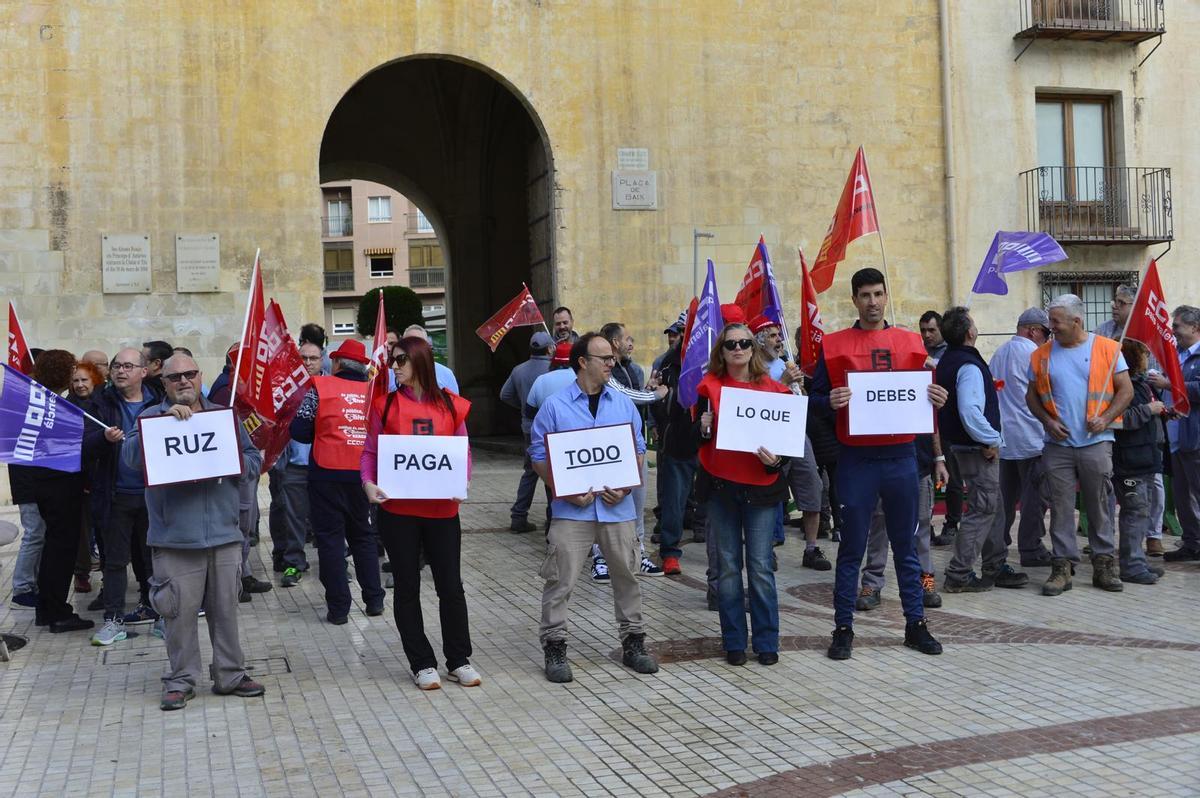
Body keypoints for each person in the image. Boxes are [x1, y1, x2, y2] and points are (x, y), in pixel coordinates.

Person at [810, 268, 946, 660]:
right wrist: (828, 401)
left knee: (906, 546)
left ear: (887, 296)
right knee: (852, 547)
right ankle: (842, 627)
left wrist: (937, 397)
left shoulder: (911, 343)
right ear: (854, 299)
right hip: (856, 459)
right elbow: (814, 399)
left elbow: (926, 400)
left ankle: (915, 623)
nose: (872, 302)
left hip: (901, 457)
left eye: (878, 294)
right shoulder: (835, 346)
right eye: (865, 295)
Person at [119, 354, 265, 710]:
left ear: (200, 376)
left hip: (224, 534)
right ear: (164, 383)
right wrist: (162, 425)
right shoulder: (151, 418)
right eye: (174, 377)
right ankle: (181, 679)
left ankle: (230, 674)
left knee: (226, 610)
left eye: (190, 374)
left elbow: (254, 461)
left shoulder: (224, 416)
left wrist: (233, 461)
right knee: (178, 614)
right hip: (175, 539)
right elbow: (130, 459)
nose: (183, 381)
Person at [529, 333, 658, 682]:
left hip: (618, 510)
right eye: (604, 358)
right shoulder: (555, 406)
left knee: (627, 576)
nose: (611, 364)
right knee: (560, 580)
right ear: (582, 361)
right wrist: (562, 487)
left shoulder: (622, 404)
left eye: (612, 358)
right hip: (572, 512)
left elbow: (638, 447)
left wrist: (627, 484)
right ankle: (554, 647)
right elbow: (538, 455)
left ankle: (634, 642)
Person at [361, 335, 480, 690]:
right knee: (407, 587)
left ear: (420, 362)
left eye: (400, 360)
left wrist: (463, 481)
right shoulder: (384, 406)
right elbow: (369, 453)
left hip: (442, 510)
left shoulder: (450, 405)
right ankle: (421, 663)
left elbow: (464, 451)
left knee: (451, 587)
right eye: (393, 360)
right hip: (398, 511)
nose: (394, 367)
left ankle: (459, 659)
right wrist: (368, 483)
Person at [695, 323, 793, 666]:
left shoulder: (775, 390)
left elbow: (788, 441)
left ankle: (767, 641)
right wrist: (702, 428)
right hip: (722, 488)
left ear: (754, 349)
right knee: (728, 568)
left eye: (744, 343)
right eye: (730, 343)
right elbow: (692, 440)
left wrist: (776, 461)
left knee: (761, 567)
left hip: (761, 491)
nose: (738, 348)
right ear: (721, 351)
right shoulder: (708, 388)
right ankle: (734, 641)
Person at [1025, 294, 1133, 595]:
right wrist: (1048, 422)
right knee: (1060, 507)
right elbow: (1031, 396)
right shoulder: (1041, 354)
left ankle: (1104, 564)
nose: (1051, 327)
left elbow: (1126, 391)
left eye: (1056, 321)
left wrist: (1107, 417)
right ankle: (1062, 567)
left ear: (1077, 321)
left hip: (1096, 442)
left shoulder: (1108, 349)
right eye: (1050, 321)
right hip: (1057, 445)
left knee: (1099, 504)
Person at [290, 339, 386, 623]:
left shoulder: (320, 388)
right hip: (364, 476)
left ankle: (339, 609)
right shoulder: (374, 393)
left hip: (326, 473)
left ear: (338, 363)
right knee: (364, 537)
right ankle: (374, 600)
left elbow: (299, 430)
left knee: (331, 541)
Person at [935, 307, 1028, 593]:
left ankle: (995, 564)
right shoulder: (968, 366)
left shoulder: (949, 360)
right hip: (977, 448)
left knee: (994, 505)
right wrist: (991, 440)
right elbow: (970, 412)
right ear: (969, 333)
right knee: (983, 508)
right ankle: (959, 573)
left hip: (963, 446)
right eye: (973, 323)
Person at [83, 348, 166, 645]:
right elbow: (85, 443)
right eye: (117, 365)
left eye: (128, 366)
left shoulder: (159, 401)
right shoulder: (101, 402)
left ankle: (159, 613)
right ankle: (113, 619)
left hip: (152, 495)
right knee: (115, 561)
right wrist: (103, 440)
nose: (120, 371)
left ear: (144, 371)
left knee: (155, 558)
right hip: (115, 494)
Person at [28, 350, 94, 633]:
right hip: (59, 486)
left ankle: (46, 608)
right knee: (61, 550)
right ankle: (58, 612)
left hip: (44, 485)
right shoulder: (54, 406)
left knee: (53, 548)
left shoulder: (39, 400)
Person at [989, 308, 1053, 568]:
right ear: (1034, 330)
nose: (1048, 339)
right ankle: (1031, 547)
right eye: (1046, 333)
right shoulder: (1034, 355)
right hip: (1031, 437)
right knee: (1034, 498)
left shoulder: (999, 353)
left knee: (1004, 499)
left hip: (1004, 439)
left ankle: (996, 546)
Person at [601, 322, 663, 577]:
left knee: (637, 504)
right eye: (627, 339)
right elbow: (626, 396)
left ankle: (638, 554)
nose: (631, 344)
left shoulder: (630, 368)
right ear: (615, 343)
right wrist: (657, 395)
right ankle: (600, 558)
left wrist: (647, 389)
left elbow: (632, 396)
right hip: (611, 446)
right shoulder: (607, 372)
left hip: (634, 443)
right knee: (605, 503)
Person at [1112, 339, 1168, 584]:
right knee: (1134, 512)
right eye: (1144, 355)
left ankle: (1138, 560)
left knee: (1141, 511)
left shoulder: (1141, 384)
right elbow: (1120, 419)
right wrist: (1149, 410)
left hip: (1145, 457)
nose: (1148, 359)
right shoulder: (1124, 387)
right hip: (1130, 460)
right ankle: (1131, 566)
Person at [269, 340, 322, 586]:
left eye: (313, 358)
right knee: (293, 519)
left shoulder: (331, 387)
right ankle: (293, 563)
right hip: (295, 465)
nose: (308, 363)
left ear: (322, 361)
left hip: (325, 466)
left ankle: (336, 563)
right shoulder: (286, 390)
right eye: (304, 358)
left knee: (329, 519)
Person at [500, 331, 555, 533]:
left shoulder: (519, 370)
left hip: (529, 427)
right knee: (552, 470)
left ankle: (519, 516)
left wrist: (523, 405)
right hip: (551, 428)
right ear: (549, 348)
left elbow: (505, 395)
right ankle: (552, 518)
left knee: (530, 472)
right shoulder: (553, 369)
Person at [1161, 305, 1200, 562]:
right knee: (1183, 497)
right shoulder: (1175, 353)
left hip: (1195, 438)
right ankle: (1191, 544)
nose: (1173, 331)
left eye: (1177, 326)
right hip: (1175, 438)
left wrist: (1171, 385)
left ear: (1195, 328)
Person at [67, 362, 104, 595]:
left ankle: (108, 578)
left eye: (84, 380)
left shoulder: (105, 404)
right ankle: (81, 573)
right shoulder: (67, 406)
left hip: (103, 477)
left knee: (104, 530)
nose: (80, 385)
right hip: (78, 478)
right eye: (76, 381)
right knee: (81, 530)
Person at [403, 325, 458, 392]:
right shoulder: (394, 372)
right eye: (409, 342)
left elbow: (454, 401)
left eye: (419, 342)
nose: (414, 346)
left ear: (427, 345)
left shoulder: (446, 373)